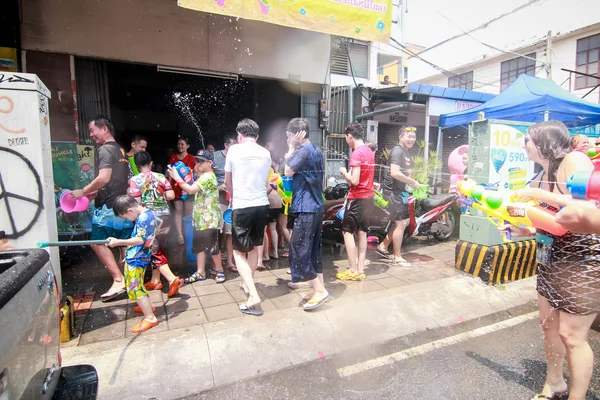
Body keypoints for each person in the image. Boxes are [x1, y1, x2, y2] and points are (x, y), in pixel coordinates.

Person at [497, 120, 599, 400]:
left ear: (544, 141)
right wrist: (521, 229)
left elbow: (587, 207)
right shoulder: (539, 176)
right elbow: (548, 223)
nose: (523, 146)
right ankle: (554, 383)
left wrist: (539, 195)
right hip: (550, 259)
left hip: (583, 260)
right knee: (548, 325)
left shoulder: (574, 160)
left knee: (572, 335)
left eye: (527, 140)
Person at [71, 116, 133, 302]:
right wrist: (93, 194)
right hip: (123, 203)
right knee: (123, 243)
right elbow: (117, 180)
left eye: (92, 130)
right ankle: (130, 282)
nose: (91, 135)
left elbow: (105, 177)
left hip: (108, 206)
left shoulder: (105, 149)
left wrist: (83, 191)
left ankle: (118, 280)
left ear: (104, 129)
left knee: (97, 242)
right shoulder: (120, 150)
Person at [225, 118, 271, 316]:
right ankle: (248, 283)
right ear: (257, 136)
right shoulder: (265, 152)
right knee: (253, 247)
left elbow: (228, 182)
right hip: (262, 204)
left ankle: (253, 295)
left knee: (237, 251)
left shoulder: (234, 150)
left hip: (243, 205)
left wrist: (233, 199)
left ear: (239, 135)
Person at [284, 118, 330, 310]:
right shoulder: (317, 149)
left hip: (306, 207)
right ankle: (319, 287)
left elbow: (287, 171)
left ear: (295, 135)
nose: (287, 139)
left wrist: (291, 148)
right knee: (312, 250)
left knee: (298, 249)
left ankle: (320, 290)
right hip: (317, 206)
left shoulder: (302, 150)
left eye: (288, 136)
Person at [128, 151, 184, 296]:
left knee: (154, 250)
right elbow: (171, 195)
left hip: (149, 218)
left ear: (136, 165)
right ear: (151, 163)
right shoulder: (161, 177)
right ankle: (155, 280)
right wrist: (159, 198)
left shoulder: (135, 180)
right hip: (165, 217)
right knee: (158, 248)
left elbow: (137, 203)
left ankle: (172, 279)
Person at [168, 149, 226, 284]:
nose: (198, 163)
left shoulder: (208, 177)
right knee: (199, 246)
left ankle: (219, 270)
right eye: (197, 161)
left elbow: (190, 190)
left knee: (213, 247)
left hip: (209, 219)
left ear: (210, 163)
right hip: (201, 218)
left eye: (201, 161)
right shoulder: (203, 176)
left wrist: (177, 177)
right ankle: (201, 272)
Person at [109, 195, 160, 333]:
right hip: (141, 256)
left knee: (134, 288)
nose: (126, 219)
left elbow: (139, 240)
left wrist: (117, 242)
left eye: (125, 217)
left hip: (136, 258)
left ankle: (150, 318)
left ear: (130, 210)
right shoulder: (149, 213)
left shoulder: (142, 218)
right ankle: (149, 306)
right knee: (138, 284)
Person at [377, 126, 422, 267]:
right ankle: (397, 256)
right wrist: (412, 182)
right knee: (400, 223)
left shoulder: (406, 153)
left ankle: (383, 246)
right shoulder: (397, 151)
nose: (411, 139)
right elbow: (395, 173)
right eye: (408, 136)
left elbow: (406, 173)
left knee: (405, 222)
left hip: (401, 192)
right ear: (400, 137)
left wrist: (413, 182)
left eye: (413, 137)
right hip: (393, 193)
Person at [336, 122, 375, 281]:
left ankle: (352, 270)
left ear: (350, 136)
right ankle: (360, 269)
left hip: (357, 198)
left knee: (347, 232)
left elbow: (354, 181)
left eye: (346, 137)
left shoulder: (357, 153)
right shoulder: (369, 152)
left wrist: (344, 172)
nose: (347, 140)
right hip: (369, 198)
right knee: (362, 232)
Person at [213, 134, 238, 272]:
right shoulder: (216, 156)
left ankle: (229, 262)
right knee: (217, 231)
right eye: (232, 146)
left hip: (233, 200)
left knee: (230, 233)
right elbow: (207, 175)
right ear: (226, 145)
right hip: (219, 200)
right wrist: (218, 186)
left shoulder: (237, 157)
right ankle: (216, 264)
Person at [169, 137, 196, 245]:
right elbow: (170, 172)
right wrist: (169, 187)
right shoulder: (174, 157)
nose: (180, 146)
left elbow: (195, 175)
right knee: (178, 211)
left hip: (188, 188)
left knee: (189, 211)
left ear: (188, 146)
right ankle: (180, 235)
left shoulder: (192, 158)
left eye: (182, 144)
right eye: (179, 144)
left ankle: (189, 234)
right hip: (176, 188)